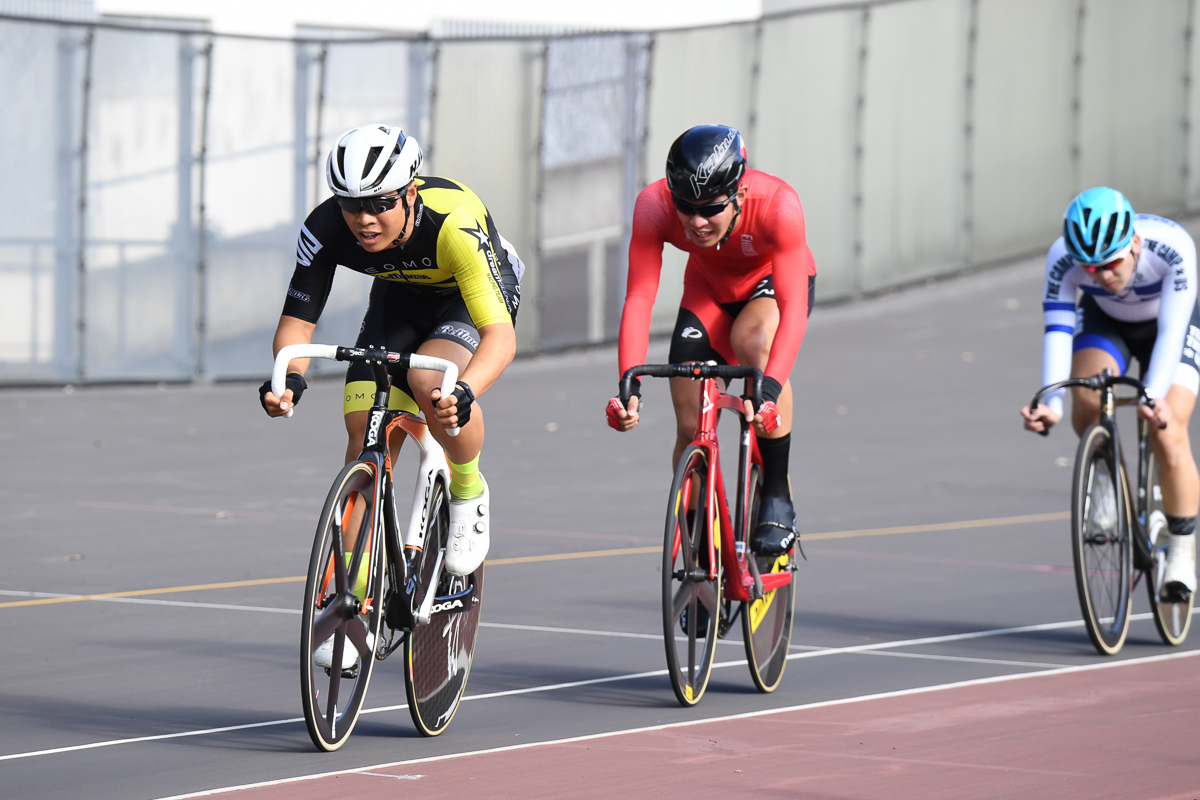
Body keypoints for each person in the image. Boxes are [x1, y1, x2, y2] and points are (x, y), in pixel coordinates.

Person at [260, 122, 521, 593]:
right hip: (398, 298)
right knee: (364, 438)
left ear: (411, 193)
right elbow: (296, 327)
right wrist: (289, 380)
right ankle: (351, 597)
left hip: (467, 296)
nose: (364, 220)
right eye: (352, 205)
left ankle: (468, 488)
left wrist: (465, 392)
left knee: (430, 385)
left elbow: (499, 336)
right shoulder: (323, 229)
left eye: (380, 204)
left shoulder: (454, 223)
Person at [607, 124, 816, 556]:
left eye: (711, 210)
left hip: (769, 288)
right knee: (689, 425)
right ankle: (699, 557)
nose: (697, 223)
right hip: (709, 291)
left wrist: (770, 388)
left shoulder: (778, 205)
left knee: (752, 340)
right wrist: (630, 382)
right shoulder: (654, 205)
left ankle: (777, 495)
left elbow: (792, 308)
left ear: (738, 196)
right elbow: (640, 296)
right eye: (686, 208)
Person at [1021, 187, 1198, 600]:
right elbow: (1058, 331)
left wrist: (1153, 397)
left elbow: (1173, 332)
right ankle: (1104, 477)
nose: (1100, 276)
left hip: (1169, 324)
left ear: (1134, 243)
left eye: (1110, 263)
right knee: (1086, 398)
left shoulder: (1172, 247)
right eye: (1089, 268)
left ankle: (1182, 555)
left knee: (1168, 432)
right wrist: (1051, 404)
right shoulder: (1062, 259)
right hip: (1107, 322)